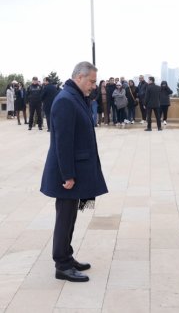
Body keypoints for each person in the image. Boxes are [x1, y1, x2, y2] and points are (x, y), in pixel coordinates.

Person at [40, 62, 108, 282]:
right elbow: (63, 142)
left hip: (78, 170)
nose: (93, 86)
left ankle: (67, 257)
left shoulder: (75, 96)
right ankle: (62, 264)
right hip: (68, 175)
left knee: (72, 216)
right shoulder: (66, 101)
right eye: (91, 81)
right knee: (65, 217)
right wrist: (67, 175)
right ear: (80, 77)